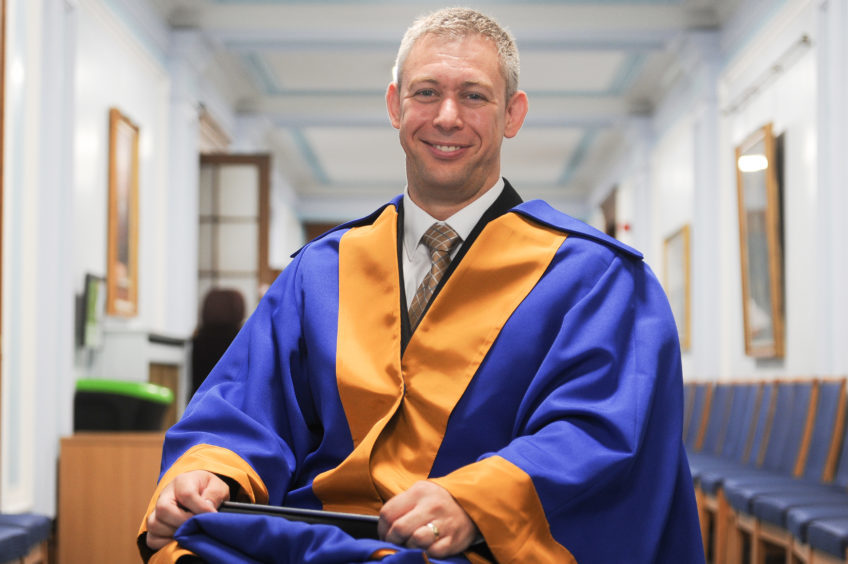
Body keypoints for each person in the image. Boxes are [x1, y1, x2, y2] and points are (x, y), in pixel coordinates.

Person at [139, 7, 704, 563]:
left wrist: (476, 502)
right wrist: (208, 476)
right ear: (395, 105)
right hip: (312, 532)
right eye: (426, 92)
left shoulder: (592, 276)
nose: (448, 116)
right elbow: (244, 405)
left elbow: (602, 432)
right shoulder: (322, 271)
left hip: (476, 546)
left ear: (513, 113)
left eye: (475, 95)